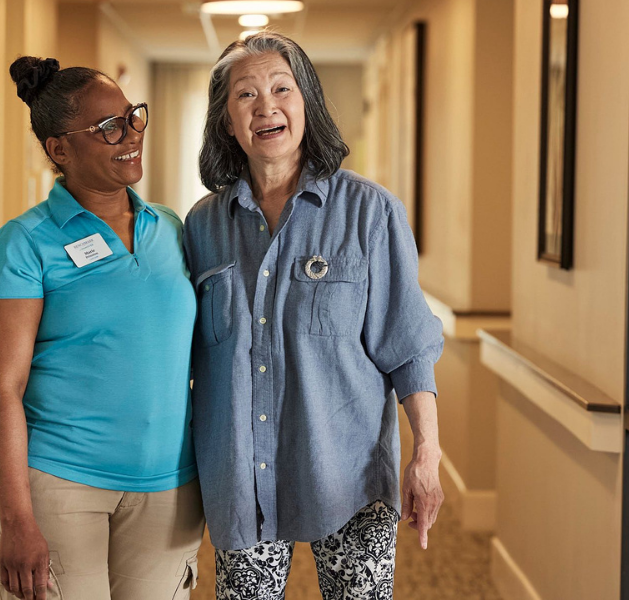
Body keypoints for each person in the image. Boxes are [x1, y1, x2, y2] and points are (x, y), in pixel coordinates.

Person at [183, 32, 446, 599]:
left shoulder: (370, 213)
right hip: (241, 479)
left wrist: (428, 452)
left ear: (307, 105)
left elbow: (408, 345)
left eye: (283, 89)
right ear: (227, 121)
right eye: (245, 95)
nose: (266, 107)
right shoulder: (203, 226)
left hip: (347, 476)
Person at [0, 57, 204, 600]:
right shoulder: (23, 245)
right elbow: (0, 390)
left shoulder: (169, 229)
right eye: (108, 128)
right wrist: (16, 519)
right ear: (59, 150)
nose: (130, 136)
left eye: (132, 118)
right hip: (59, 484)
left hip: (168, 485)